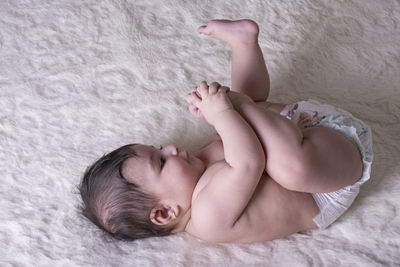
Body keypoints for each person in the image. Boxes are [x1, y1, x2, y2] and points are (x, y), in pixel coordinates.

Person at [79, 19, 373, 243]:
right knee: (285, 165)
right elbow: (248, 163)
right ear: (165, 213)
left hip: (306, 127)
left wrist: (224, 113)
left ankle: (243, 44)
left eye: (158, 148)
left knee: (242, 116)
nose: (170, 147)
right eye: (162, 161)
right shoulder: (207, 218)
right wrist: (222, 112)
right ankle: (243, 102)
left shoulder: (198, 167)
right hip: (330, 178)